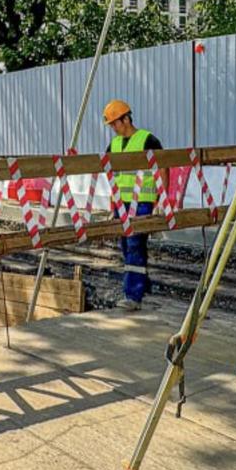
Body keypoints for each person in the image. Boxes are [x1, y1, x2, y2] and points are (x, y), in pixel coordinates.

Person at [103, 99, 167, 311]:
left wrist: (162, 199)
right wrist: (112, 204)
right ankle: (142, 285)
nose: (113, 128)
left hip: (142, 202)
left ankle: (133, 296)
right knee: (126, 246)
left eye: (115, 123)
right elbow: (112, 176)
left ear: (126, 119)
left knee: (134, 245)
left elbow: (164, 166)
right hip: (121, 204)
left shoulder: (147, 139)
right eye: (111, 124)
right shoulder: (113, 145)